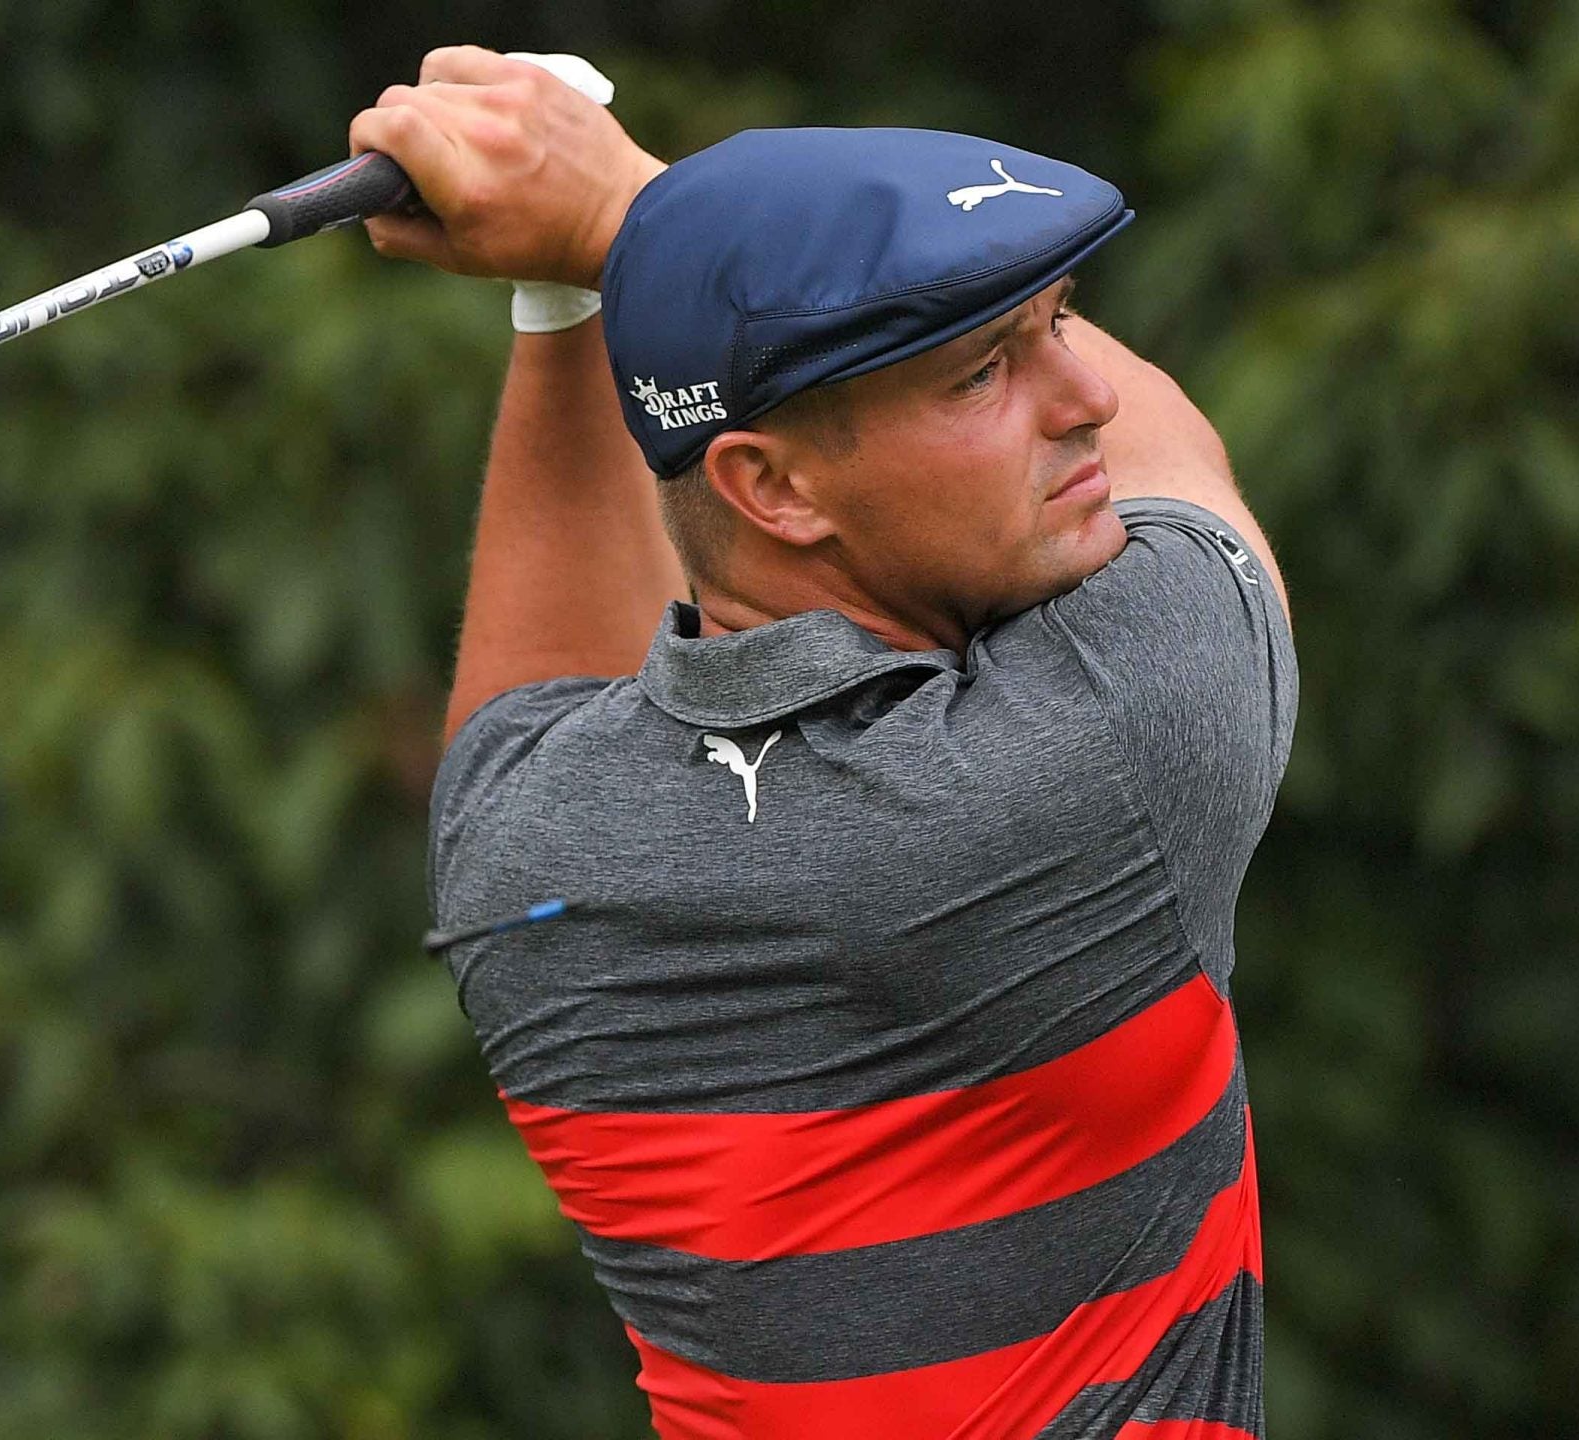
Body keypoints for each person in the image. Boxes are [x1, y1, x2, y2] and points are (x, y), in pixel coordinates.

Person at [353, 49, 1297, 1440]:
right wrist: (617, 213)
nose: (1082, 392)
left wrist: (576, 293)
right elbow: (1171, 466)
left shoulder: (527, 853)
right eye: (984, 370)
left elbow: (534, 690)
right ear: (775, 487)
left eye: (1060, 321)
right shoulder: (1107, 753)